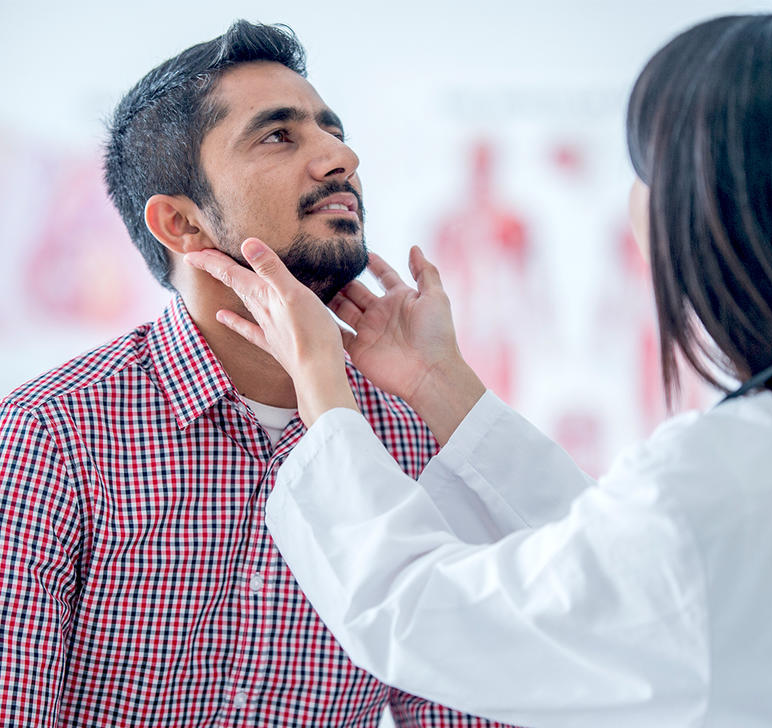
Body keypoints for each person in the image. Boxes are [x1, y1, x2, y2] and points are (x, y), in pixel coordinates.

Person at [184, 13, 772, 728]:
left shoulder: (717, 485)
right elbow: (615, 560)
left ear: (695, 213)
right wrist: (436, 382)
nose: (341, 157)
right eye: (279, 135)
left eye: (643, 169)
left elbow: (423, 614)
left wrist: (324, 394)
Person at [0, 20, 517, 728]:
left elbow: (462, 704)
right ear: (181, 224)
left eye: (333, 131)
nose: (341, 157)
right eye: (279, 136)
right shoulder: (52, 436)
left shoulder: (415, 435)